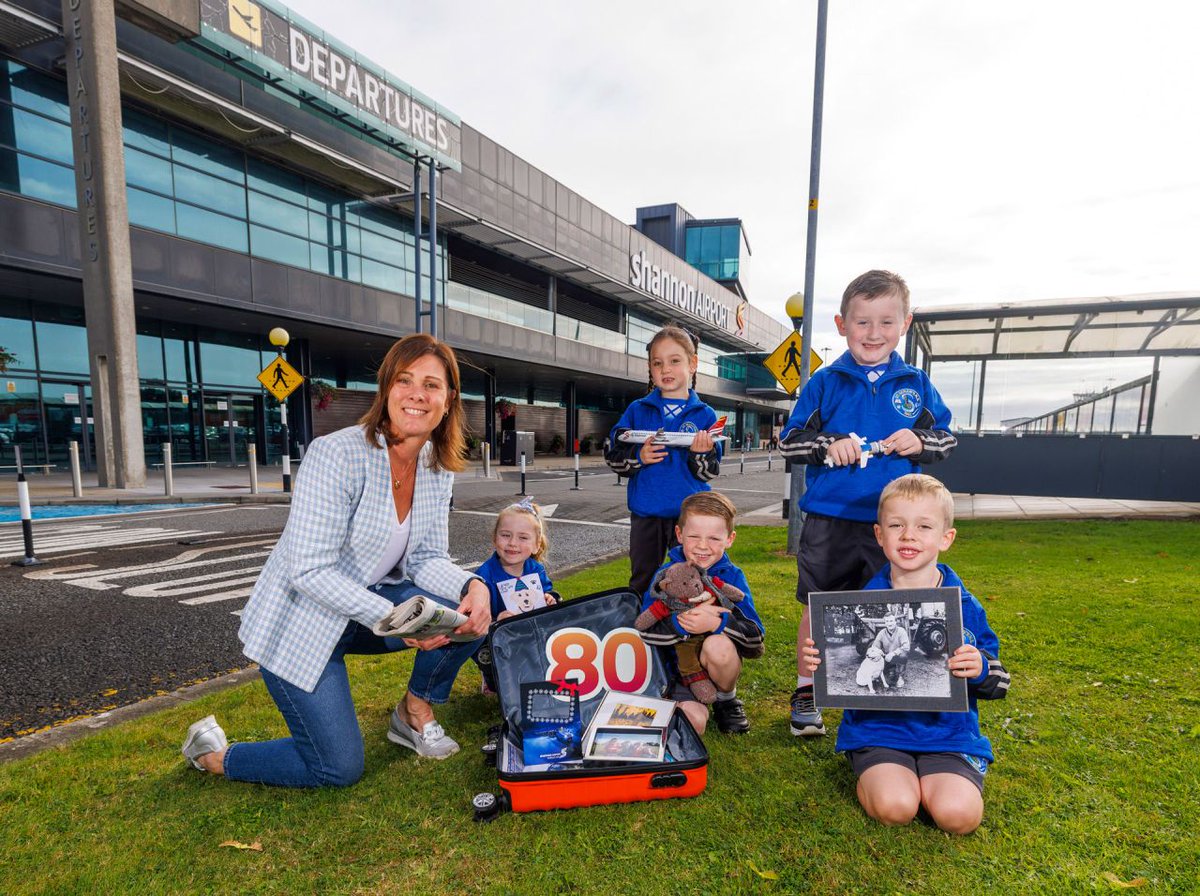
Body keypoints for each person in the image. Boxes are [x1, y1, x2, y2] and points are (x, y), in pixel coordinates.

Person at [180, 334, 492, 787]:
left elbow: (425, 558)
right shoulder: (337, 454)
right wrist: (398, 620)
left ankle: (412, 711)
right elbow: (308, 571)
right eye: (405, 380)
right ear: (387, 389)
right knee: (336, 768)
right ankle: (214, 755)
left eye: (432, 384)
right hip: (301, 624)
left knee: (470, 617)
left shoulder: (433, 466)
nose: (417, 394)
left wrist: (472, 585)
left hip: (362, 613)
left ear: (448, 401)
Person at [780, 270, 956, 738]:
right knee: (819, 609)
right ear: (842, 324)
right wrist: (827, 446)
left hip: (896, 524)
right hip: (831, 520)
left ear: (905, 323)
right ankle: (806, 692)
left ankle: (887, 697)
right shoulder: (824, 383)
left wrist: (918, 441)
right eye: (862, 322)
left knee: (896, 608)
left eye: (885, 322)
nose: (873, 333)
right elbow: (791, 440)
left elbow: (946, 437)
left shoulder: (916, 383)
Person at [801, 474, 1010, 834]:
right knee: (896, 808)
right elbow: (847, 665)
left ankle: (936, 778)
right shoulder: (856, 603)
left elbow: (999, 681)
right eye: (896, 525)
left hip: (948, 737)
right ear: (879, 535)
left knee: (957, 817)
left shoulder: (964, 606)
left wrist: (978, 669)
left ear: (946, 538)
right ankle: (877, 769)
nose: (908, 535)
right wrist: (817, 665)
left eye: (924, 526)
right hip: (879, 731)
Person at [606, 323, 722, 595]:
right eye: (657, 363)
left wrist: (700, 454)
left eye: (674, 361)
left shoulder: (705, 415)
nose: (665, 369)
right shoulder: (637, 410)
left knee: (690, 581)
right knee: (643, 581)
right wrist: (639, 456)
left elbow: (708, 473)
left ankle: (686, 633)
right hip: (646, 515)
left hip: (690, 519)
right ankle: (640, 633)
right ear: (650, 368)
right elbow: (614, 457)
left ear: (692, 364)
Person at [637, 491, 764, 735]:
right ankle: (673, 701)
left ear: (730, 539)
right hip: (672, 673)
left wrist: (715, 621)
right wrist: (681, 624)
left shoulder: (732, 577)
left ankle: (726, 700)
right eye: (694, 536)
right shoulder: (665, 576)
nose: (703, 546)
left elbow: (755, 636)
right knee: (693, 723)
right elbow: (644, 630)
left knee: (718, 645)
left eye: (714, 538)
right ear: (679, 535)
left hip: (712, 666)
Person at [472, 497, 560, 694]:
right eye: (505, 535)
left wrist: (549, 598)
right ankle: (489, 678)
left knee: (535, 666)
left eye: (523, 537)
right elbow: (475, 616)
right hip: (491, 637)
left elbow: (547, 590)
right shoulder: (484, 575)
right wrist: (496, 621)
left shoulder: (535, 569)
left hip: (528, 632)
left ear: (537, 545)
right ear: (495, 539)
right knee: (497, 678)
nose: (512, 543)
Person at [870, 612, 910, 689]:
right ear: (885, 623)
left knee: (904, 655)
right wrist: (879, 652)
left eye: (891, 621)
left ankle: (900, 677)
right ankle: (890, 670)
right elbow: (874, 646)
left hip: (897, 657)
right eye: (887, 621)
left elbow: (906, 647)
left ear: (895, 622)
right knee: (886, 679)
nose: (889, 623)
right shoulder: (882, 633)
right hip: (886, 658)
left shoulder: (901, 631)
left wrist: (893, 653)